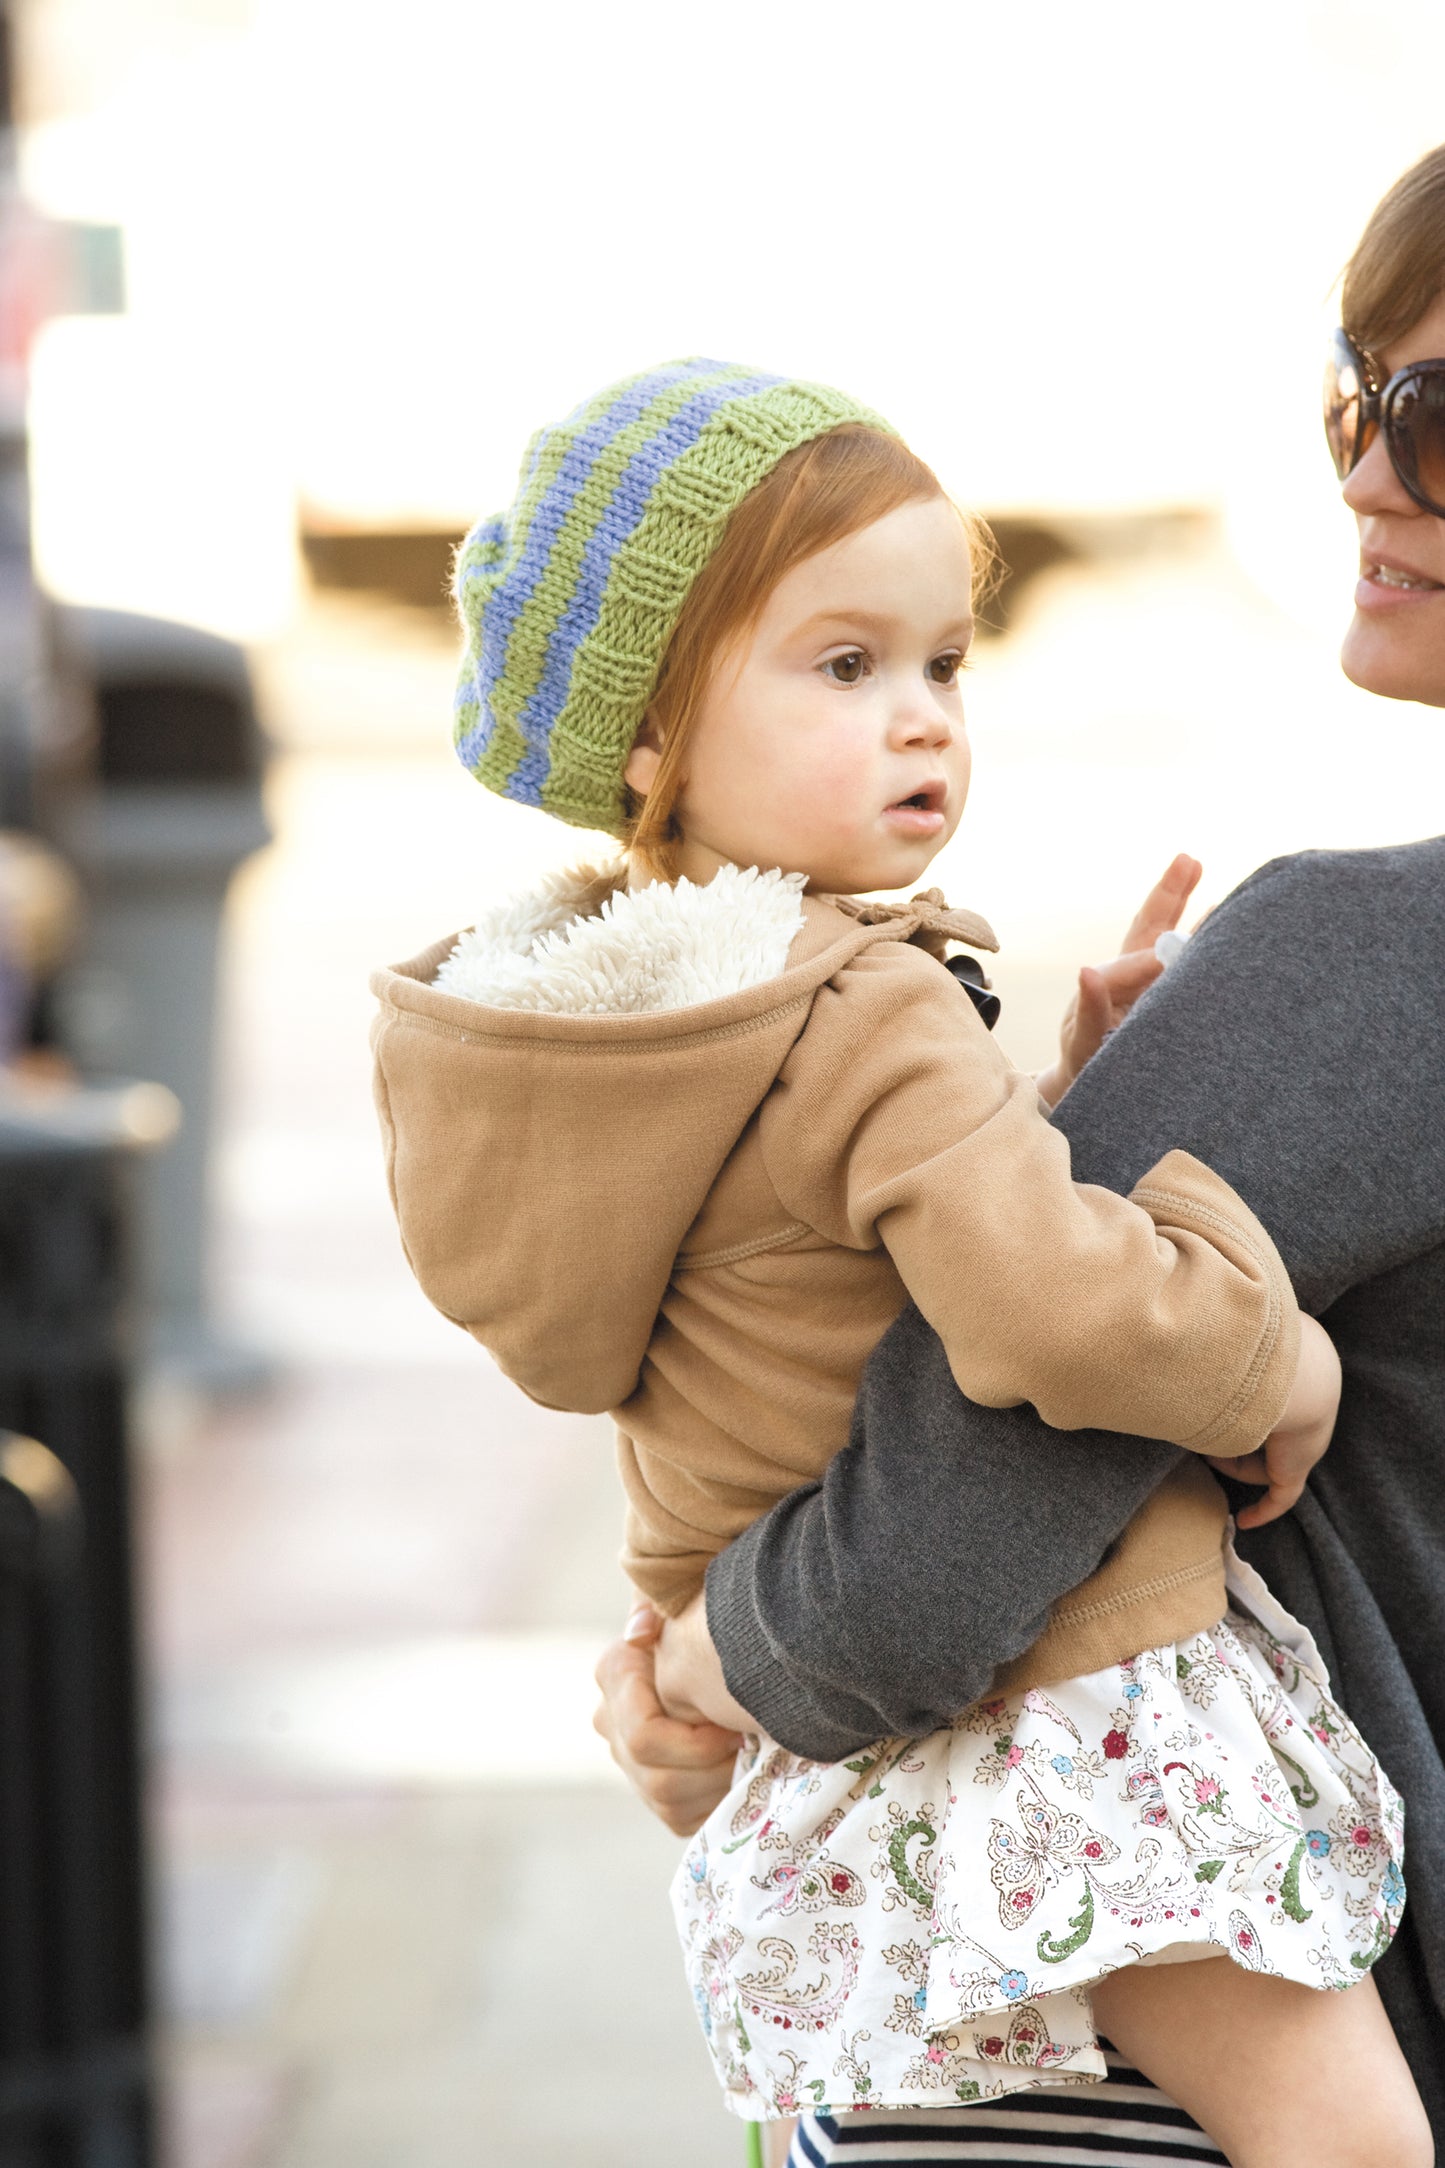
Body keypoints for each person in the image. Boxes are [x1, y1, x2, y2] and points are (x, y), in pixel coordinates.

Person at [371, 363, 1418, 2162]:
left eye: (945, 662)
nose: (924, 718)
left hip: (844, 1763)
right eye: (843, 666)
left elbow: (814, 1282)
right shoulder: (865, 1005)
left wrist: (1055, 1108)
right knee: (1353, 2148)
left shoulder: (642, 1031)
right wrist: (1274, 1359)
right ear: (647, 737)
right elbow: (1054, 1319)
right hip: (1066, 1715)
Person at [596, 143, 1445, 2163]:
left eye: (1442, 420)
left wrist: (700, 1654)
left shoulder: (1363, 962)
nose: (1367, 475)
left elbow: (916, 1566)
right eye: (1360, 395)